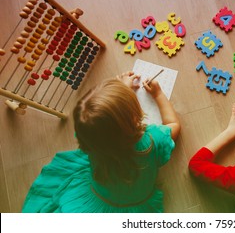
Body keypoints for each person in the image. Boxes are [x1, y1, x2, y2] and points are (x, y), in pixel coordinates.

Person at [22, 71, 180, 213]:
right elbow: (174, 125)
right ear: (133, 117)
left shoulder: (91, 140)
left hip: (96, 200)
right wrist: (158, 94)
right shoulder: (151, 142)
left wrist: (122, 89)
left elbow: (101, 124)